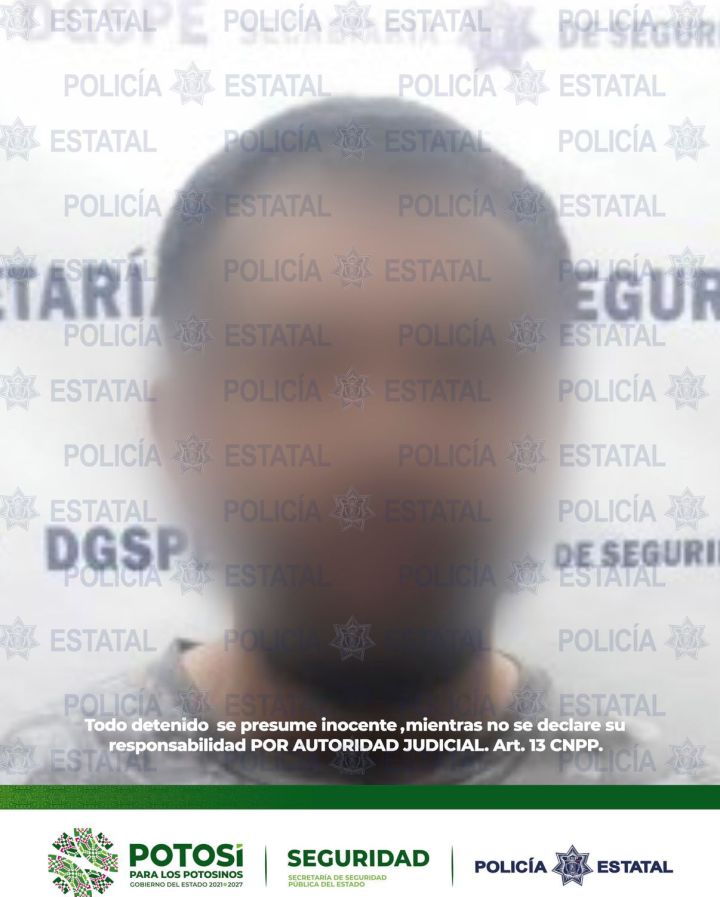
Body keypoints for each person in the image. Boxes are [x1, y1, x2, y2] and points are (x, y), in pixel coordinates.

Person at [0, 97, 693, 785]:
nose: (381, 443)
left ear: (548, 426)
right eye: (298, 371)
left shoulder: (662, 814)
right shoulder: (46, 802)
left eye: (461, 373)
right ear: (185, 433)